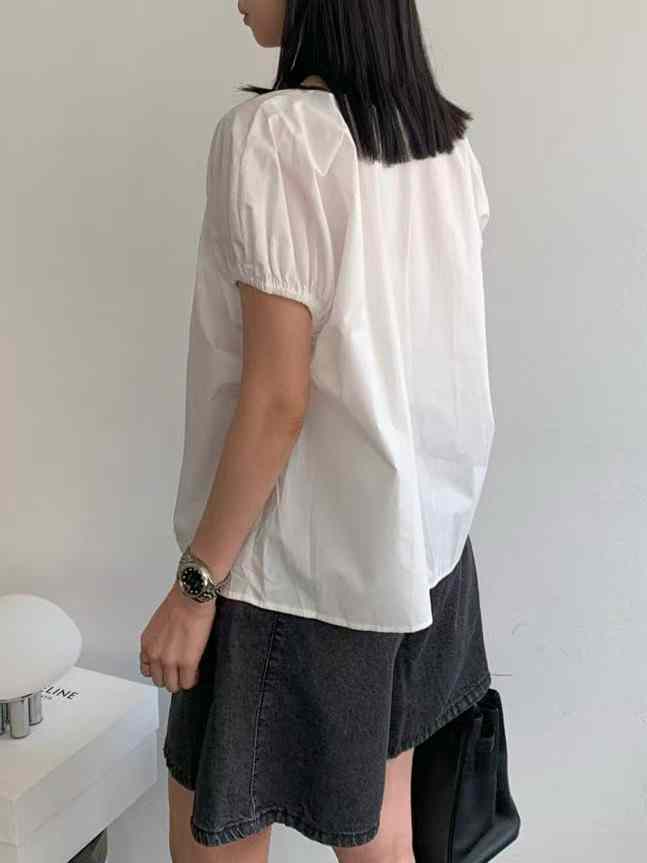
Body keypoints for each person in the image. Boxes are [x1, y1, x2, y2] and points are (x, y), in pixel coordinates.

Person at [140, 1, 495, 861]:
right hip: (421, 557)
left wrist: (194, 588)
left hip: (289, 573)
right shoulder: (441, 149)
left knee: (214, 839)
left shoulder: (276, 136)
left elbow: (276, 397)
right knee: (382, 837)